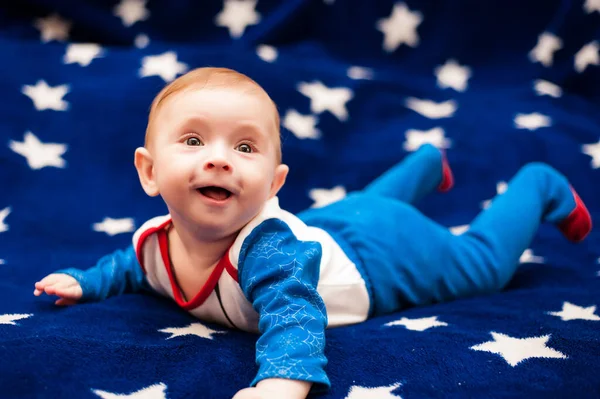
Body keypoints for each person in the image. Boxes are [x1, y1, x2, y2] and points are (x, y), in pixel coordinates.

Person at [33, 67, 592, 399]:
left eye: (245, 147)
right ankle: (425, 164)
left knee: (483, 263)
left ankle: (539, 184)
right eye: (194, 141)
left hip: (383, 261)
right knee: (360, 208)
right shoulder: (156, 241)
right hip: (332, 232)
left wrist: (283, 381)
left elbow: (295, 317)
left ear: (273, 183)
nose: (221, 161)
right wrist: (86, 282)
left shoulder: (270, 252)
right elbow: (129, 266)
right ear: (149, 171)